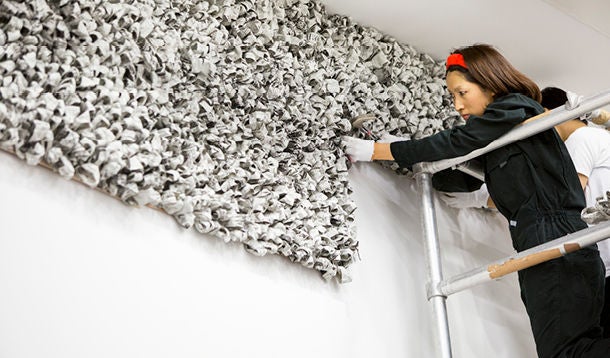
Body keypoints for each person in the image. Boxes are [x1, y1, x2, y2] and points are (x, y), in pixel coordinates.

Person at [342, 44, 610, 357]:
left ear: (490, 83)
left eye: (462, 92)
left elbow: (458, 142)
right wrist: (403, 160)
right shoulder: (506, 140)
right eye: (452, 97)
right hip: (546, 239)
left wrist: (378, 150)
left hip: (553, 236)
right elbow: (463, 177)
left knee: (567, 352)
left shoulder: (517, 107)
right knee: (573, 350)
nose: (457, 105)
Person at [440, 86, 610, 338]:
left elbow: (556, 199)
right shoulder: (598, 139)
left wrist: (478, 197)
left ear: (548, 114)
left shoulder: (582, 138)